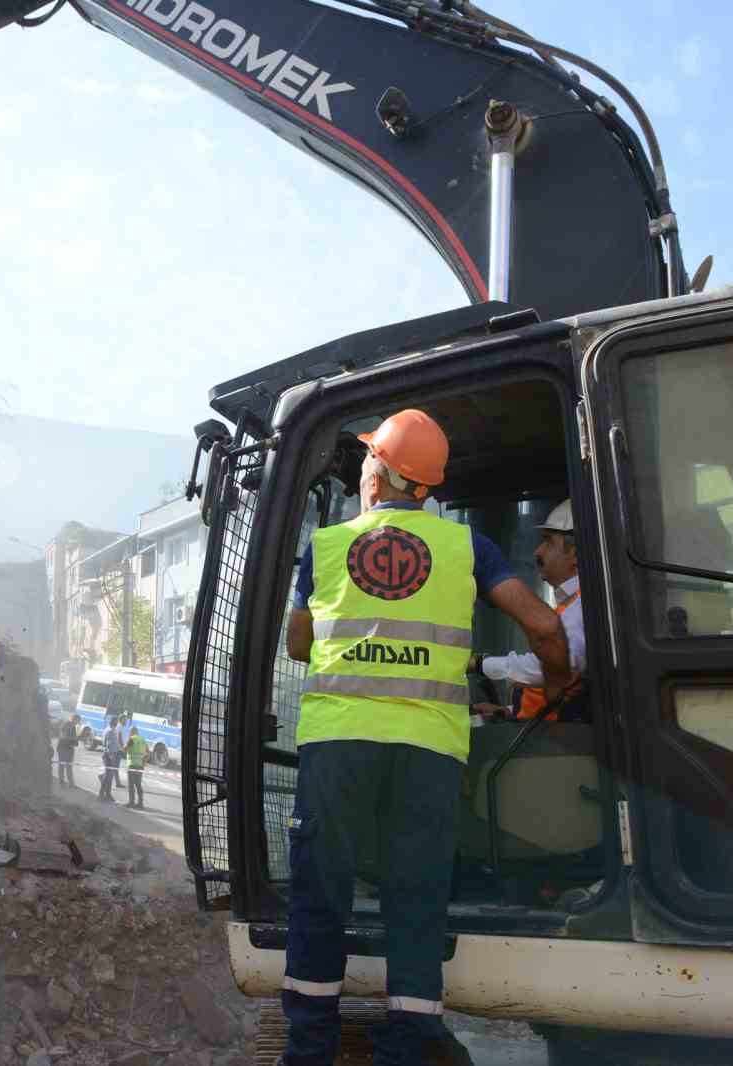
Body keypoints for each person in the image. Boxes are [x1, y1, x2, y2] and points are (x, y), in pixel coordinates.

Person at [281, 409, 572, 1066]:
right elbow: (545, 630)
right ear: (428, 486)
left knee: (320, 897)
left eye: (365, 460)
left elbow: (300, 643)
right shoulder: (468, 547)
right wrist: (555, 696)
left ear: (379, 474)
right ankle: (408, 1048)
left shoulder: (326, 548)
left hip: (338, 747)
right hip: (430, 753)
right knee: (416, 903)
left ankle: (308, 1051)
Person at [469, 499, 587, 721]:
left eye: (548, 542)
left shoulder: (584, 606)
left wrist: (479, 664)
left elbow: (554, 662)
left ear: (575, 554)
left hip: (560, 744)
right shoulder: (571, 604)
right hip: (544, 732)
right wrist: (507, 711)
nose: (537, 551)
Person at [98, 716, 122, 802]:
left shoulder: (107, 729)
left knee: (109, 776)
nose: (117, 723)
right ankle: (102, 794)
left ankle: (107, 794)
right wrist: (111, 756)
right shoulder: (111, 731)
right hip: (110, 755)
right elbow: (108, 745)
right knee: (108, 776)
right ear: (114, 722)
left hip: (108, 755)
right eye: (116, 722)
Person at [124, 724, 148, 809]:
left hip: (132, 764)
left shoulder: (131, 739)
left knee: (131, 785)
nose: (129, 733)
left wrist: (126, 750)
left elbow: (125, 749)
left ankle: (131, 802)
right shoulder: (143, 740)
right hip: (140, 765)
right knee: (138, 785)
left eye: (130, 732)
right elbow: (147, 752)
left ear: (132, 732)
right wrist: (144, 762)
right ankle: (140, 803)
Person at [57, 714, 81, 788]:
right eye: (77, 721)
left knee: (69, 766)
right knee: (62, 765)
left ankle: (71, 783)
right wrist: (73, 738)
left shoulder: (73, 726)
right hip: (62, 748)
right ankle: (61, 781)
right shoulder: (65, 725)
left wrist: (76, 741)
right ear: (73, 719)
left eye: (78, 722)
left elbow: (74, 738)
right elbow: (63, 737)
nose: (77, 723)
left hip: (70, 748)